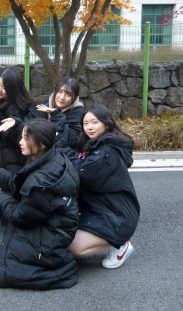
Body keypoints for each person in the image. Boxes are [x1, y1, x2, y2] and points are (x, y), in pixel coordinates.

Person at [0, 119, 79, 290]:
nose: (20, 142)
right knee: (0, 261)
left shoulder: (41, 180)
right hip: (50, 223)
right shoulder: (50, 157)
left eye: (26, 138)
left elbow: (20, 217)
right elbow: (19, 182)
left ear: (41, 144)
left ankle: (61, 273)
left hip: (50, 233)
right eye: (21, 137)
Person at [65, 104, 140, 269]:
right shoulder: (93, 143)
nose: (89, 127)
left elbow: (83, 171)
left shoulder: (107, 151)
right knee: (61, 235)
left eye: (94, 122)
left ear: (106, 123)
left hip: (116, 213)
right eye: (85, 123)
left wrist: (63, 149)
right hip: (98, 207)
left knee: (73, 247)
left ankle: (121, 244)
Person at [0, 67, 47, 219]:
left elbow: (26, 134)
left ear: (13, 88)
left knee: (16, 182)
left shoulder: (24, 107)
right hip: (6, 153)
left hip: (19, 155)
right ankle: (4, 206)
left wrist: (15, 124)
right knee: (7, 180)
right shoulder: (0, 102)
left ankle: (13, 211)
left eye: (4, 87)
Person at [36, 77, 83, 149]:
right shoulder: (41, 106)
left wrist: (57, 115)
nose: (62, 97)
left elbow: (73, 141)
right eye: (60, 92)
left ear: (75, 97)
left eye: (68, 94)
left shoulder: (79, 114)